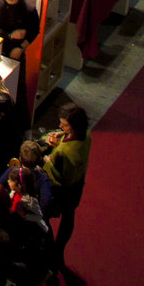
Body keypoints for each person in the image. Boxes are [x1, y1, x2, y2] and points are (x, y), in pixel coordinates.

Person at [42, 107, 90, 266]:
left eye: (65, 125)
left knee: (44, 215)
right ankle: (59, 248)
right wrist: (61, 138)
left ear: (74, 126)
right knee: (69, 216)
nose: (60, 127)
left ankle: (51, 250)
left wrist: (48, 160)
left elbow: (60, 176)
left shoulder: (65, 151)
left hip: (62, 190)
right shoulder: (86, 136)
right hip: (78, 184)